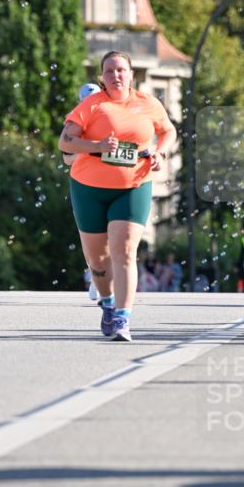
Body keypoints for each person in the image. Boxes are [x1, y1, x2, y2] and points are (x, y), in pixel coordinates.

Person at [58, 51, 175, 341]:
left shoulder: (148, 103)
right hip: (89, 188)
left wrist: (160, 153)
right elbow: (65, 142)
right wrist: (97, 146)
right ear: (102, 76)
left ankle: (123, 318)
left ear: (131, 74)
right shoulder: (92, 104)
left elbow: (168, 131)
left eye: (121, 70)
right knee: (98, 261)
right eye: (109, 71)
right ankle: (108, 303)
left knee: (124, 251)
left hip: (134, 185)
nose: (116, 76)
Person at [64, 82, 102, 302]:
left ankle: (108, 279)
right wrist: (85, 153)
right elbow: (66, 158)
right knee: (88, 238)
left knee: (113, 235)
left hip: (111, 183)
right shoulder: (75, 124)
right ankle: (96, 275)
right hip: (84, 184)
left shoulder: (110, 121)